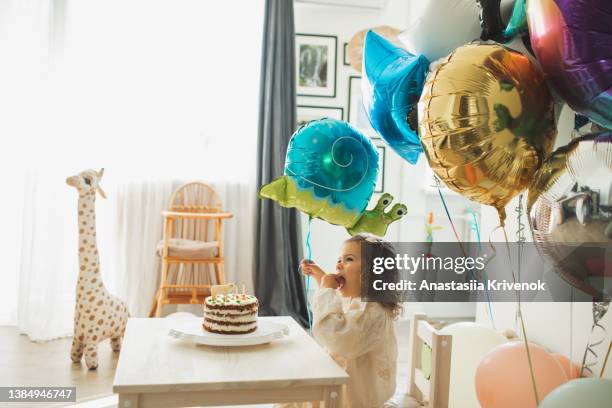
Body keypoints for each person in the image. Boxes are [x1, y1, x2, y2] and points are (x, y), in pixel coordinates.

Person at [285, 233, 402, 408]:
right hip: (343, 389)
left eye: (348, 259)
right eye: (339, 259)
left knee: (295, 391)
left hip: (356, 400)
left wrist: (326, 288)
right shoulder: (358, 300)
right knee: (294, 384)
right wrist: (321, 278)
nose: (338, 264)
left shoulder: (373, 311)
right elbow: (336, 308)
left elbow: (336, 337)